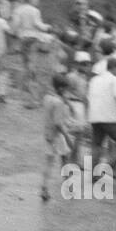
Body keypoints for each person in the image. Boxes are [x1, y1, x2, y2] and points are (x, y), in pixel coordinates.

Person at [87, 56, 116, 168]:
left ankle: (93, 172)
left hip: (94, 117)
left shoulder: (94, 80)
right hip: (109, 118)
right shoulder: (114, 80)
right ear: (114, 68)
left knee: (97, 145)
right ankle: (107, 167)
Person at [41, 74, 75, 203]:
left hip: (47, 133)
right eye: (65, 89)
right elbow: (58, 123)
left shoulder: (47, 98)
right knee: (65, 159)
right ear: (61, 89)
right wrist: (67, 137)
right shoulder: (58, 102)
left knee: (49, 162)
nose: (66, 92)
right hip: (57, 135)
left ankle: (44, 187)